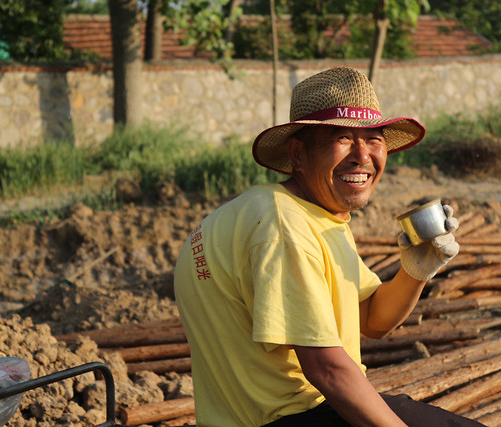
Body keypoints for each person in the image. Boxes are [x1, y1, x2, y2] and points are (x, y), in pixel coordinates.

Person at [174, 67, 485, 426]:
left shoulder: (312, 213)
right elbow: (326, 369)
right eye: (343, 138)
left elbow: (372, 318)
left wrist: (415, 271)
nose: (362, 156)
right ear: (298, 155)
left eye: (373, 139)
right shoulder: (282, 226)